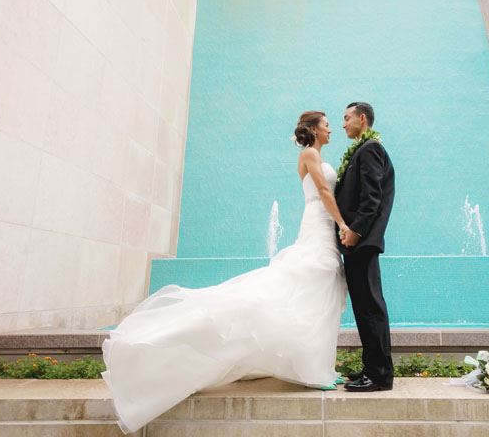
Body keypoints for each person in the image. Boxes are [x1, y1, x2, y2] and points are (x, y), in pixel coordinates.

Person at [101, 111, 349, 434]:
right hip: (318, 227)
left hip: (323, 229)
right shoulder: (309, 154)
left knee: (321, 289)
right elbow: (325, 193)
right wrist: (343, 224)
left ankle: (319, 367)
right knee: (312, 280)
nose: (332, 128)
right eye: (328, 124)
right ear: (314, 129)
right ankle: (314, 370)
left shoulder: (317, 153)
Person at [335, 102, 396, 392]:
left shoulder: (370, 149)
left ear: (362, 119)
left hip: (363, 242)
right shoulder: (364, 149)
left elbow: (372, 198)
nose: (343, 124)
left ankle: (381, 374)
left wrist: (356, 232)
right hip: (358, 243)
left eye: (347, 118)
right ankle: (372, 369)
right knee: (364, 308)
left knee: (370, 307)